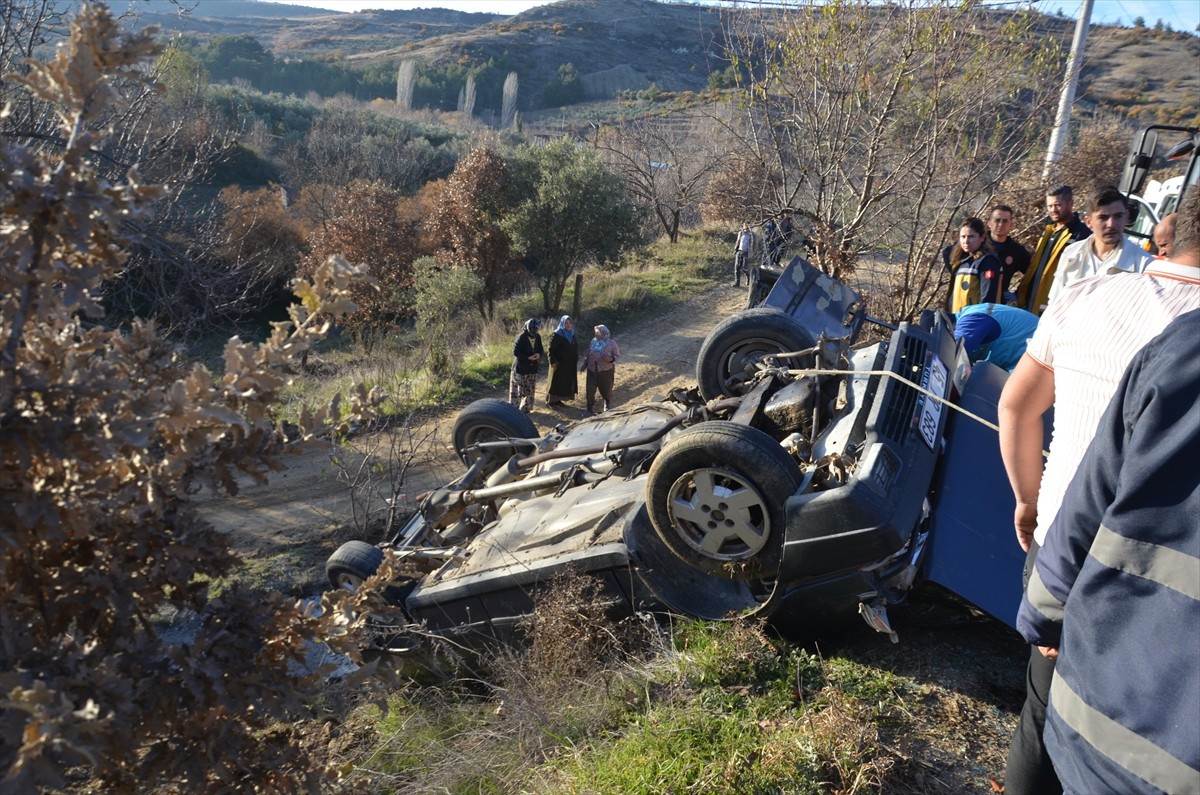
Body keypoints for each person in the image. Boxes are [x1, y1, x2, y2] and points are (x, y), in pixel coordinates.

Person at [997, 189, 1200, 795]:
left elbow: (1016, 406)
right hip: (1156, 577)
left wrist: (1029, 500)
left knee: (1043, 713)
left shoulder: (1086, 298)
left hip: (1060, 546)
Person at [1044, 186, 1151, 307]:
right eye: (1103, 218)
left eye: (1118, 216)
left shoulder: (1143, 264)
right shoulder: (1071, 255)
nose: (1111, 224)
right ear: (1088, 222)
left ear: (1126, 217)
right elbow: (1054, 305)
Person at [1017, 185, 1092, 316]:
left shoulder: (1082, 235)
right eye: (1050, 206)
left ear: (1071, 203)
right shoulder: (1048, 230)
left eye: (1057, 205)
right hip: (1031, 302)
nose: (1053, 210)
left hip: (1055, 306)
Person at [953, 303, 1039, 372]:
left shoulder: (971, 321)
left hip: (1038, 360)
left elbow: (953, 359)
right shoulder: (972, 313)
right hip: (1028, 358)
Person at [943, 216, 1004, 313]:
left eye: (971, 236)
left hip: (976, 320)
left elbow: (988, 298)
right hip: (958, 320)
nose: (966, 241)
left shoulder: (988, 262)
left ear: (982, 237)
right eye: (963, 237)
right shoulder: (962, 262)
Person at [987, 204, 1031, 301]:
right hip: (972, 303)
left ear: (1011, 224)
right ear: (989, 223)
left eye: (1005, 221)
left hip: (999, 306)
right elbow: (948, 253)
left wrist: (1017, 294)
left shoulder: (1016, 250)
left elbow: (1033, 273)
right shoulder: (978, 243)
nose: (1001, 224)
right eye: (997, 220)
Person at [580, 323, 620, 416]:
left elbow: (617, 355)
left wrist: (611, 359)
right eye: (595, 333)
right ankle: (589, 409)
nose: (596, 335)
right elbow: (588, 354)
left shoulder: (611, 343)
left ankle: (607, 404)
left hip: (605, 371)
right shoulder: (593, 341)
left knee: (606, 389)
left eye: (598, 333)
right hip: (592, 370)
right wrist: (584, 365)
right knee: (590, 390)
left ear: (604, 333)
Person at [509, 317, 544, 414]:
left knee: (529, 389)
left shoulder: (538, 337)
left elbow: (540, 349)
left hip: (532, 368)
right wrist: (528, 357)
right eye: (533, 329)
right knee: (516, 391)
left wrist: (539, 355)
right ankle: (514, 411)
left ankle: (525, 409)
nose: (535, 331)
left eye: (536, 329)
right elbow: (515, 352)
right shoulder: (522, 337)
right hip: (520, 368)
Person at [545, 315, 578, 408]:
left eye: (570, 323)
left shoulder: (572, 334)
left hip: (568, 364)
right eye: (566, 323)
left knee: (563, 382)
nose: (568, 325)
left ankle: (557, 400)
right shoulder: (557, 334)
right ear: (562, 323)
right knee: (555, 382)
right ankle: (550, 401)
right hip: (558, 363)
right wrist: (552, 361)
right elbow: (550, 349)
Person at [734, 223, 757, 287]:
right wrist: (735, 249)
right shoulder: (741, 233)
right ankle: (737, 282)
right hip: (739, 251)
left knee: (744, 268)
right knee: (737, 267)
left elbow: (755, 245)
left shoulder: (753, 235)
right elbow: (737, 241)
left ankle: (749, 277)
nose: (746, 227)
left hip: (747, 253)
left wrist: (752, 253)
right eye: (745, 226)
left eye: (748, 226)